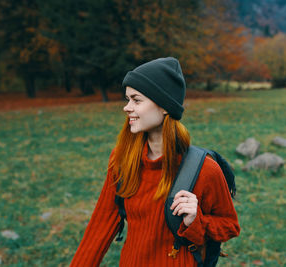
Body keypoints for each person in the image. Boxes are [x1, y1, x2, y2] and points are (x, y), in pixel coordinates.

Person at [70, 57, 240, 266]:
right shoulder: (121, 159)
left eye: (136, 100)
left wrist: (196, 221)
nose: (127, 107)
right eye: (127, 99)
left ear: (165, 106)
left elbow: (229, 226)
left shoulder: (204, 169)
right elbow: (101, 225)